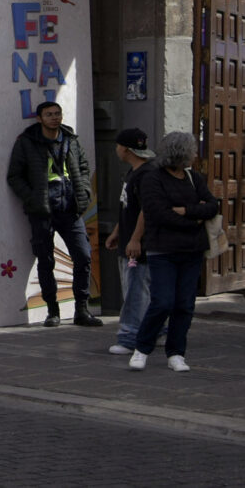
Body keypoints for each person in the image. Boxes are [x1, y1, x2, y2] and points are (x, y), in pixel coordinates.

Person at [124, 130, 220, 372]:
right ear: (182, 152)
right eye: (192, 150)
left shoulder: (193, 178)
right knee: (162, 302)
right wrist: (193, 219)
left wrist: (186, 211)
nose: (195, 155)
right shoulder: (153, 178)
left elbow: (211, 206)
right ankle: (142, 348)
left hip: (192, 250)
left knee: (185, 304)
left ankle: (176, 353)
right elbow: (158, 213)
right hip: (162, 250)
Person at [4, 99, 97, 326]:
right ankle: (52, 311)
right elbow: (14, 176)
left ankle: (82, 309)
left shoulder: (71, 140)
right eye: (49, 114)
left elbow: (83, 167)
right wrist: (33, 198)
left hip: (70, 206)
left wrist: (83, 191)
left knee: (83, 255)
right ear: (40, 118)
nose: (54, 117)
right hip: (43, 209)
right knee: (45, 260)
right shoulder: (27, 142)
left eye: (57, 113)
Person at [102, 127, 155, 352]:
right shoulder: (134, 172)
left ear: (125, 149)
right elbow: (128, 208)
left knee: (134, 290)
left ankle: (130, 337)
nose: (116, 150)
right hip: (127, 240)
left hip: (137, 245)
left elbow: (145, 210)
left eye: (118, 146)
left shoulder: (145, 175)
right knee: (140, 289)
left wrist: (134, 239)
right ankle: (154, 332)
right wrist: (117, 231)